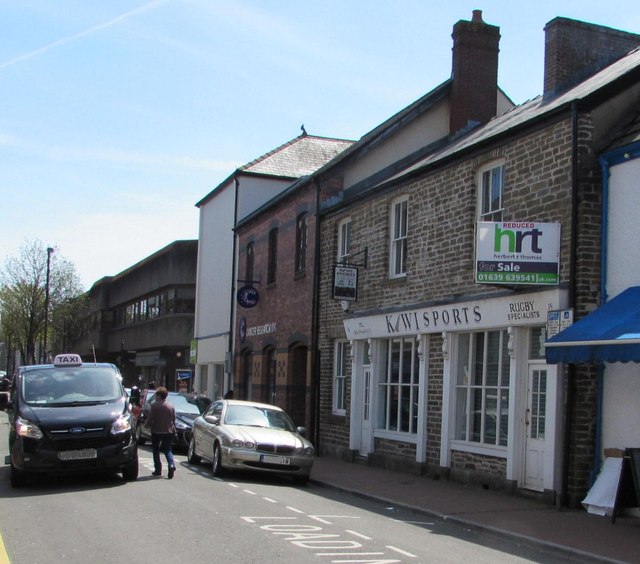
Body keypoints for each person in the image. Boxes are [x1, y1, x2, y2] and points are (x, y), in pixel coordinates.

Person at [147, 387, 176, 479]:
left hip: (156, 430)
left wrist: (146, 424)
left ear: (159, 396)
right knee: (167, 450)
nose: (155, 397)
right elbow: (173, 419)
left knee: (156, 450)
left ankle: (158, 469)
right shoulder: (171, 406)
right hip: (168, 431)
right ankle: (171, 464)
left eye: (156, 395)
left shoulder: (154, 405)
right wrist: (173, 429)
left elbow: (151, 418)